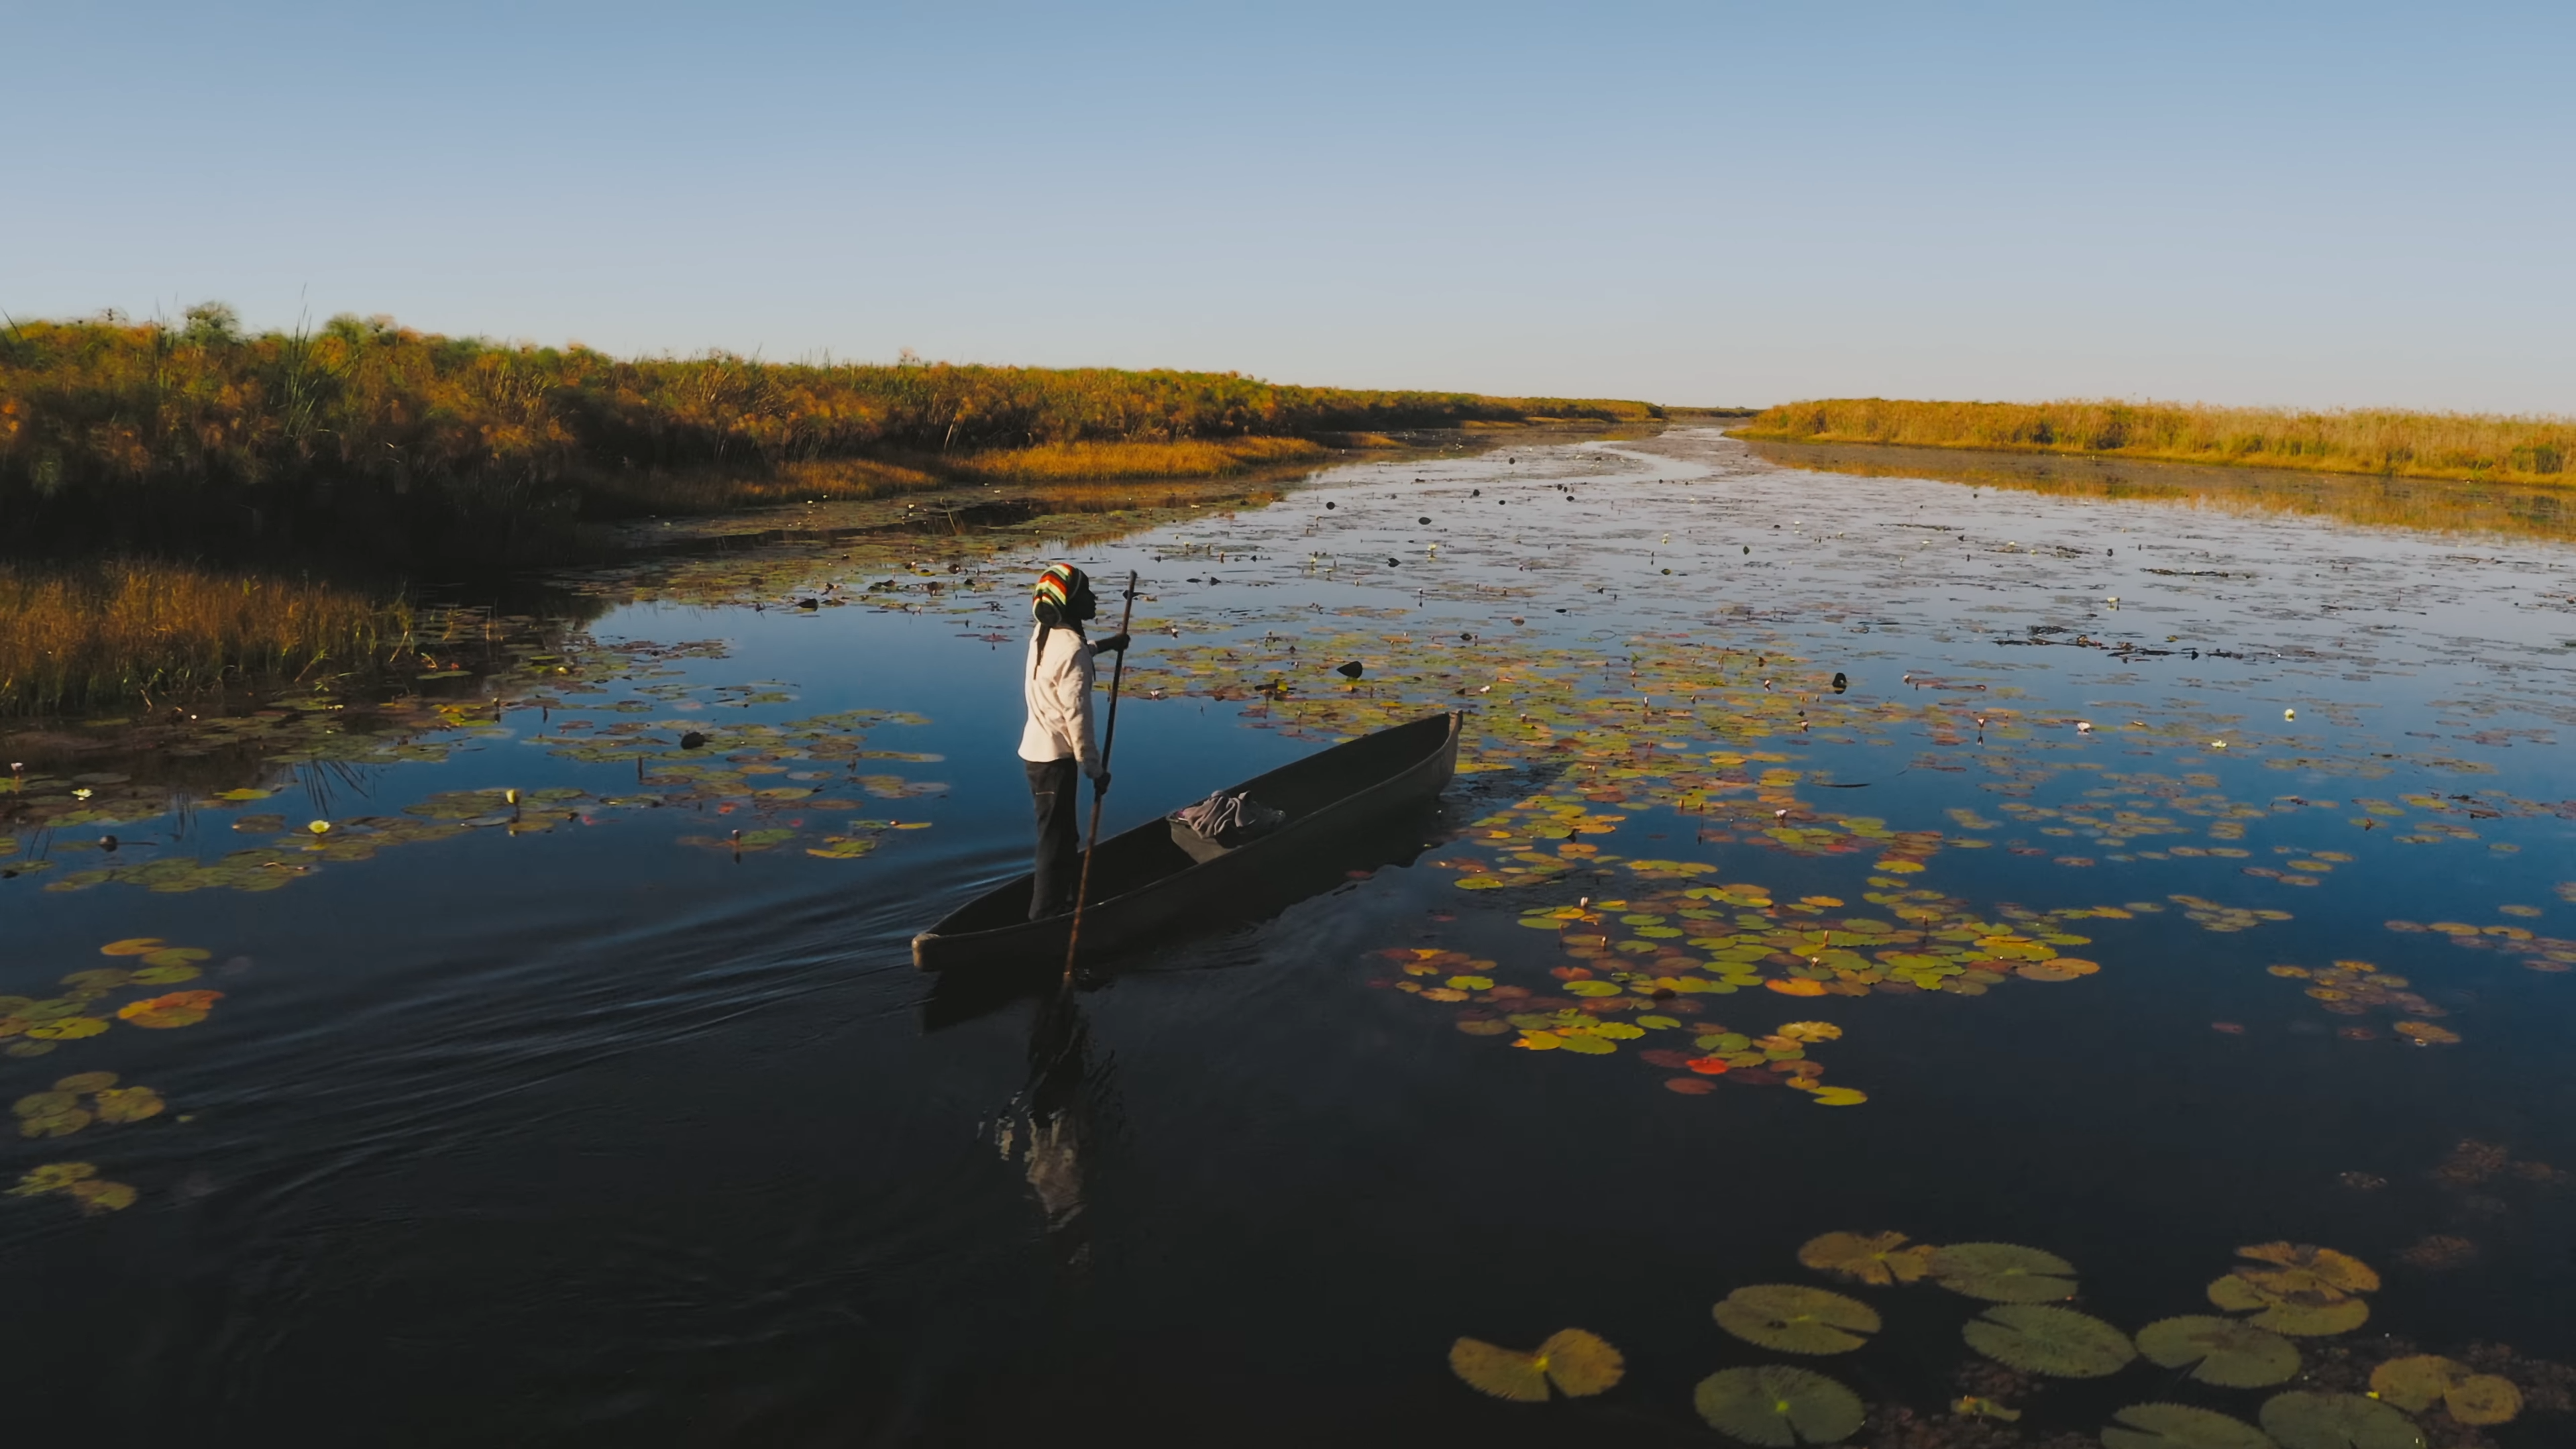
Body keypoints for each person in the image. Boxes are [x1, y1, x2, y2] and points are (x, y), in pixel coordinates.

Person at [1020, 564, 1128, 919]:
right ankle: (1044, 916)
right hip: (1055, 759)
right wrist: (1095, 771)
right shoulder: (1072, 650)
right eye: (1086, 593)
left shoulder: (1044, 632)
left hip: (1036, 752)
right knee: (1056, 840)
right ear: (1068, 601)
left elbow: (1069, 656)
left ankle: (1060, 902)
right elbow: (1078, 719)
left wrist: (1107, 646)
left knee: (1062, 835)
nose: (1094, 599)